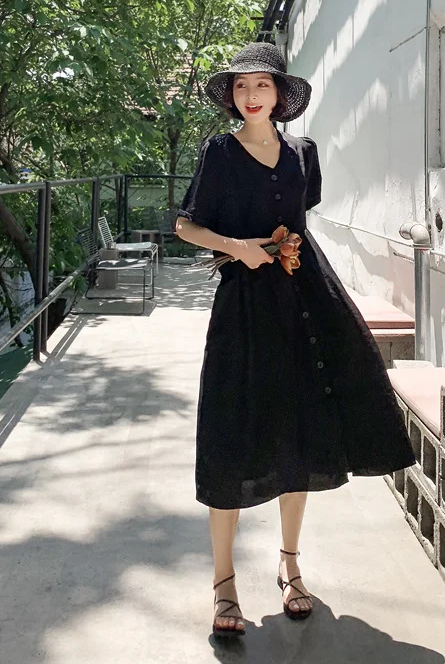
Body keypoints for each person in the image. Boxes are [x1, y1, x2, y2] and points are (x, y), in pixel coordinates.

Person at [175, 42, 416, 638]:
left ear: (281, 94)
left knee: (299, 429)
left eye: (261, 84)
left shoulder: (303, 152)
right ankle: (224, 583)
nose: (250, 95)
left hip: (304, 296)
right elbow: (185, 225)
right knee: (231, 430)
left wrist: (279, 249)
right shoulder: (218, 152)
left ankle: (290, 566)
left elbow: (300, 215)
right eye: (240, 86)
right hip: (243, 303)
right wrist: (237, 248)